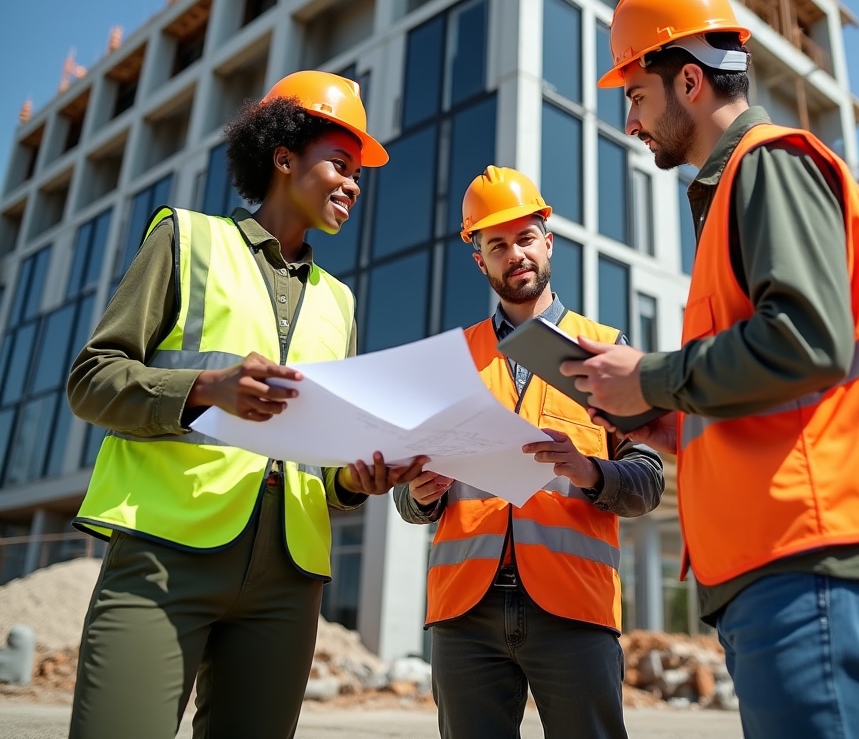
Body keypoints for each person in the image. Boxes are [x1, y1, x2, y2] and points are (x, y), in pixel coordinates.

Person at [565, 0, 859, 739]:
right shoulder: (738, 191)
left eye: (635, 97)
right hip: (785, 559)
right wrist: (663, 418)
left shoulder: (769, 162)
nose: (631, 123)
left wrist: (652, 377)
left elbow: (806, 341)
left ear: (689, 82)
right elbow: (777, 386)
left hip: (814, 554)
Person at [67, 70, 427, 739]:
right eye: (340, 165)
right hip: (166, 553)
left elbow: (325, 465)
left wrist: (359, 479)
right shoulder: (186, 240)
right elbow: (92, 380)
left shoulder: (339, 301)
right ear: (283, 158)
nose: (353, 185)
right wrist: (206, 389)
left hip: (287, 580)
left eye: (358, 175)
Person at [394, 166, 664, 739]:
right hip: (465, 614)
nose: (514, 254)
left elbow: (648, 482)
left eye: (524, 238)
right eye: (497, 245)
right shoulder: (454, 360)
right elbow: (408, 498)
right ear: (480, 260)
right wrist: (419, 495)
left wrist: (590, 472)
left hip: (574, 607)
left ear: (548, 241)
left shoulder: (603, 349)